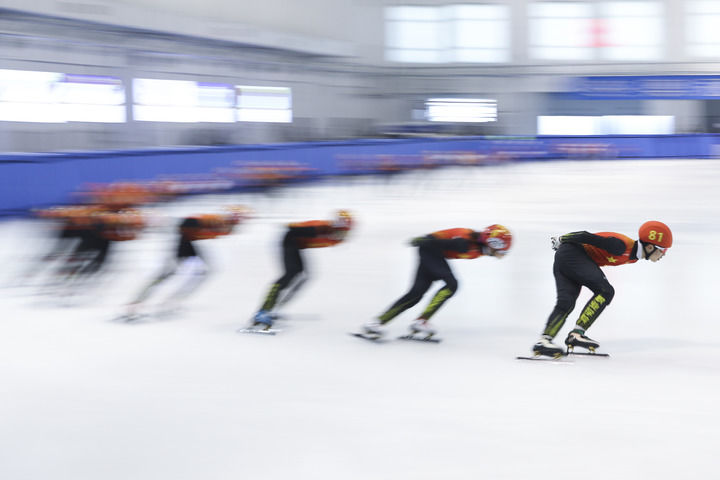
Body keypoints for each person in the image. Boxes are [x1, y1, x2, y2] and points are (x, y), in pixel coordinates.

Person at [532, 220, 673, 357]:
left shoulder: (633, 256)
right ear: (650, 247)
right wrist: (562, 239)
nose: (664, 254)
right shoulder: (621, 246)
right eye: (663, 250)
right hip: (573, 254)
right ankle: (577, 334)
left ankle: (544, 341)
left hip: (566, 257)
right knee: (606, 291)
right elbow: (585, 235)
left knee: (566, 302)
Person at [360, 224, 513, 339]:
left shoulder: (478, 247)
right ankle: (420, 321)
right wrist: (423, 239)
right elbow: (436, 241)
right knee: (452, 285)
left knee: (416, 294)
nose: (500, 255)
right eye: (501, 251)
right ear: (493, 243)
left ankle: (377, 323)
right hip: (430, 250)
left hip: (432, 254)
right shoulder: (465, 242)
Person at [124, 207, 246, 318]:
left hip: (190, 239)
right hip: (184, 238)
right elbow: (187, 224)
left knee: (202, 272)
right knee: (168, 272)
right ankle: (137, 303)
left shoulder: (222, 225)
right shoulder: (214, 221)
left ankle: (170, 301)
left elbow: (202, 232)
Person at [250, 210, 353, 329]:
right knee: (289, 274)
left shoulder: (335, 237)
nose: (342, 235)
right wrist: (292, 226)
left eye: (346, 232)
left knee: (303, 275)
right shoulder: (320, 228)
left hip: (297, 245)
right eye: (341, 231)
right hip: (288, 240)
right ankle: (263, 311)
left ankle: (273, 308)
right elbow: (291, 229)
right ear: (334, 227)